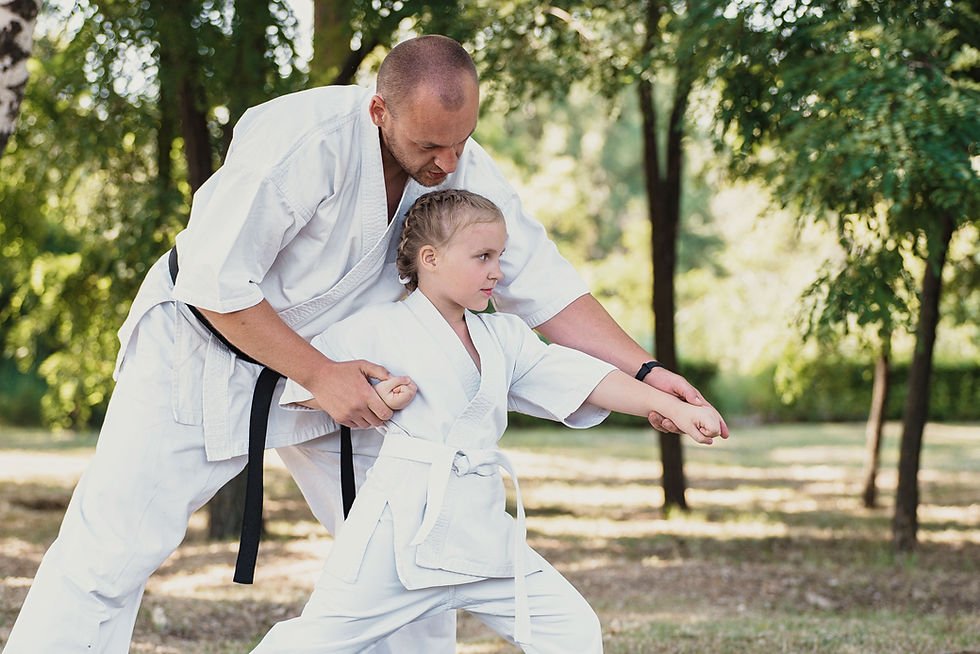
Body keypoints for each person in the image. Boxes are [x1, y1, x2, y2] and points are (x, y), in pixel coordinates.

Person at [4, 35, 726, 653]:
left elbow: (542, 285)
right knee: (109, 554)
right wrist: (321, 375)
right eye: (429, 146)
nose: (448, 164)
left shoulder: (458, 162)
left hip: (348, 368)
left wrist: (646, 370)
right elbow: (214, 282)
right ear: (380, 110)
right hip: (201, 352)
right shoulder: (300, 142)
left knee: (420, 540)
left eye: (461, 141)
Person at [249, 189, 725, 653]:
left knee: (571, 629)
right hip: (396, 535)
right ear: (431, 259)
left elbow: (582, 378)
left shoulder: (504, 336)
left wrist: (674, 408)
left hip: (480, 527)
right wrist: (372, 395)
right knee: (313, 641)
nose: (497, 271)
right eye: (482, 257)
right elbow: (308, 388)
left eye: (499, 257)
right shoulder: (375, 328)